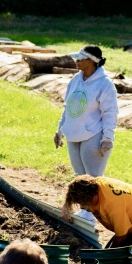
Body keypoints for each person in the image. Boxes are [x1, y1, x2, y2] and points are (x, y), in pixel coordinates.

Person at [53, 45, 118, 220]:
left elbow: (110, 112)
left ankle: (92, 213)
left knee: (93, 178)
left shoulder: (105, 84)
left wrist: (107, 138)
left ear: (91, 61)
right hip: (73, 133)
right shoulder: (76, 79)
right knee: (79, 177)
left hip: (94, 134)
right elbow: (68, 107)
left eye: (80, 59)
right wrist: (60, 129)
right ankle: (84, 210)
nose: (76, 61)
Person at [61, 175, 132, 247]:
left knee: (121, 259)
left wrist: (109, 256)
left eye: (84, 203)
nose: (83, 206)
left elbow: (122, 235)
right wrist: (66, 205)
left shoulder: (112, 204)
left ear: (95, 197)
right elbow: (75, 186)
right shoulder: (94, 183)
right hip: (131, 220)